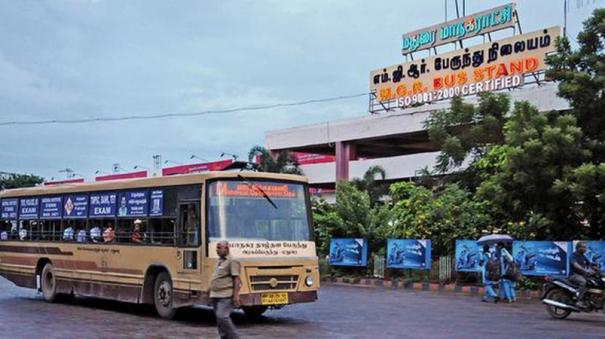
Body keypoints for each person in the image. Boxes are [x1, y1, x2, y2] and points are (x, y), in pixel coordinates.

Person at [209, 241, 241, 339]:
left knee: (222, 316)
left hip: (225, 295)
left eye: (219, 248)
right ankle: (223, 337)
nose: (217, 250)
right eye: (217, 248)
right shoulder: (219, 261)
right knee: (219, 319)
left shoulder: (232, 261)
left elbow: (236, 279)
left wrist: (235, 295)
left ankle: (234, 337)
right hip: (215, 294)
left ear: (226, 248)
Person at [570, 241, 598, 308]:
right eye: (584, 247)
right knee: (583, 282)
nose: (585, 249)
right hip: (574, 275)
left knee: (592, 282)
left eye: (585, 247)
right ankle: (578, 300)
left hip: (582, 275)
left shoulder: (583, 256)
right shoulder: (573, 256)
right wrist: (585, 271)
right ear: (578, 248)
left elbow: (589, 264)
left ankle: (587, 299)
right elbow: (575, 265)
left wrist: (597, 268)